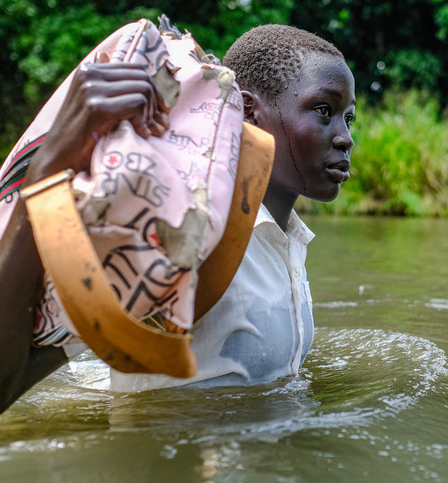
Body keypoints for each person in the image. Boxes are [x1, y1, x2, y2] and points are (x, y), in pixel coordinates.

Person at [0, 23, 356, 408]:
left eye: (348, 118)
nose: (345, 137)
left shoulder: (290, 242)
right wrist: (47, 172)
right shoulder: (187, 239)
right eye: (324, 111)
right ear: (249, 112)